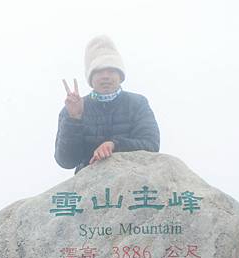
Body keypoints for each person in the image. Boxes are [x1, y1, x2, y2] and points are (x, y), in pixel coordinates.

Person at [54, 35, 161, 174]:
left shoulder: (137, 103)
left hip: (133, 181)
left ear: (120, 76)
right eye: (98, 71)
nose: (105, 76)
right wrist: (74, 119)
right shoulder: (73, 108)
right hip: (89, 187)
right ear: (91, 78)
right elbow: (66, 161)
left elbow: (151, 145)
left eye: (111, 70)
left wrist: (114, 145)